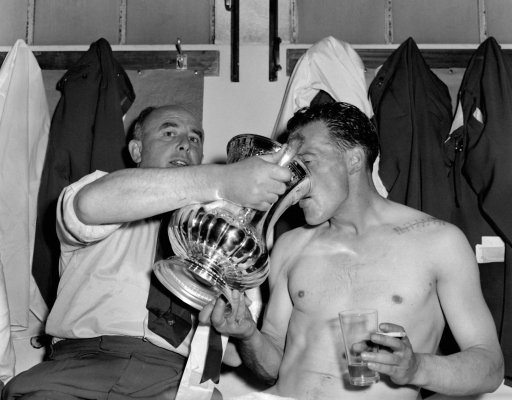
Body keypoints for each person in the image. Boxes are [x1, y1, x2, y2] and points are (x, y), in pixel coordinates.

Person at [200, 102, 505, 400]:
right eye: (290, 167)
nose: (294, 180)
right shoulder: (290, 245)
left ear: (354, 160)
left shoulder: (439, 242)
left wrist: (416, 368)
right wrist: (248, 335)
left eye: (308, 161)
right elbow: (274, 366)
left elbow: (490, 367)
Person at [3, 104, 292, 400]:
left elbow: (235, 357)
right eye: (169, 132)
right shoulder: (102, 187)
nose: (184, 143)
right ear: (137, 151)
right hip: (78, 367)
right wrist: (222, 180)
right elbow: (90, 205)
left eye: (195, 139)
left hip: (174, 379)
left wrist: (244, 334)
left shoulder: (222, 238)